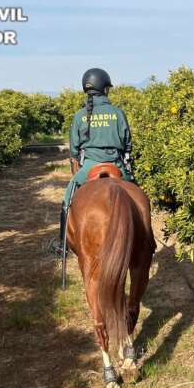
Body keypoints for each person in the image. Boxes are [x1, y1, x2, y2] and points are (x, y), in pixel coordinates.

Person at [55, 67, 135, 254]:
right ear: (105, 89)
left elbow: (74, 150)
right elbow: (127, 144)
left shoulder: (79, 115)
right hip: (116, 164)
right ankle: (145, 239)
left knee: (68, 198)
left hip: (90, 165)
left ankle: (62, 245)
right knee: (137, 196)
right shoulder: (118, 113)